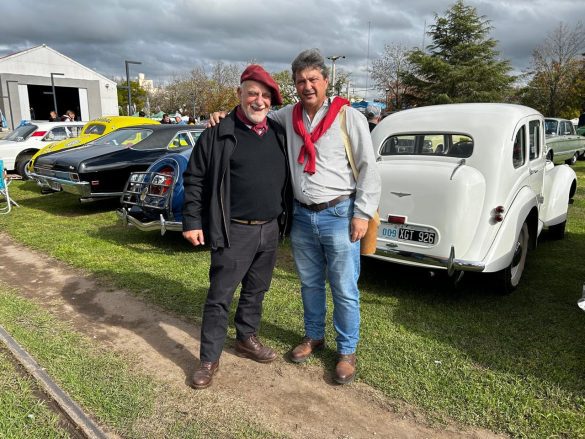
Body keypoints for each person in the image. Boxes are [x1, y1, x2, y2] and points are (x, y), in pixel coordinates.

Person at [211, 49, 380, 384]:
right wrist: (223, 114)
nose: (307, 86)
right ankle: (314, 336)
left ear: (326, 81)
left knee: (344, 287)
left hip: (339, 214)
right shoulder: (288, 116)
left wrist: (362, 213)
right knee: (310, 283)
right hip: (303, 216)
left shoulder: (349, 117)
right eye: (301, 81)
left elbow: (368, 169)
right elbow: (253, 112)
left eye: (313, 79)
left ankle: (346, 351)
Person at [182, 64, 290, 389]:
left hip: (270, 229)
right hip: (233, 230)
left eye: (265, 96)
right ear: (239, 94)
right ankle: (208, 359)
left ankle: (246, 338)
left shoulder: (279, 133)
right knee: (220, 296)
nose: (259, 101)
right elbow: (195, 179)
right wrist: (192, 221)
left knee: (257, 290)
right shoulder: (217, 132)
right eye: (252, 93)